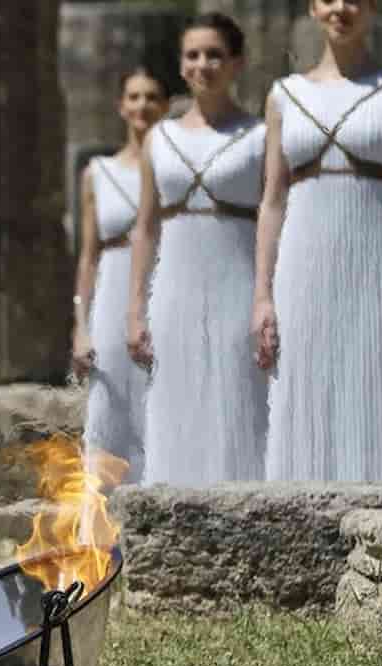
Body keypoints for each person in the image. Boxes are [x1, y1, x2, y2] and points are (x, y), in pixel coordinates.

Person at [254, 0, 382, 480]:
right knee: (301, 398)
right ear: (314, 8)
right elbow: (272, 200)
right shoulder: (284, 96)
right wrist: (263, 296)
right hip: (303, 270)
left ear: (371, 8)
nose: (342, 8)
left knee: (381, 399)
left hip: (379, 268)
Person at [127, 13, 268, 486]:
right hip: (174, 289)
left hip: (238, 283)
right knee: (175, 401)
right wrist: (135, 310)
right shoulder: (158, 138)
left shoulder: (262, 135)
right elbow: (145, 228)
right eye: (193, 55)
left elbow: (277, 217)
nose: (203, 64)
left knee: (239, 402)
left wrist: (269, 298)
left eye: (215, 55)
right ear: (181, 64)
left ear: (236, 63)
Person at [70, 67, 171, 484]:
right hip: (111, 294)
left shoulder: (176, 169)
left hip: (162, 285)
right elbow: (88, 256)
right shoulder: (97, 173)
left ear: (165, 106)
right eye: (133, 97)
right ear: (120, 106)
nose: (142, 105)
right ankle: (102, 534)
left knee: (161, 404)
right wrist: (79, 325)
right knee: (110, 409)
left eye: (151, 97)